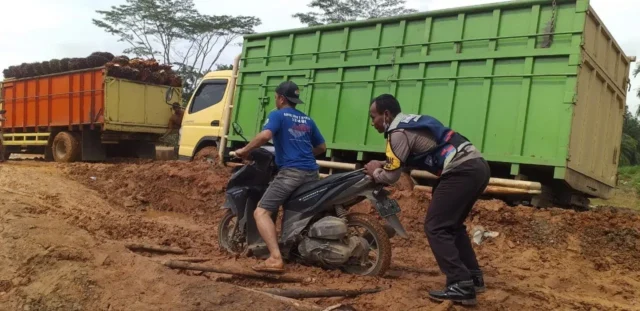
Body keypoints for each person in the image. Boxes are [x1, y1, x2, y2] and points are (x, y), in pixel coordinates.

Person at [363, 94, 490, 306]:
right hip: (477, 166)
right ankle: (473, 278)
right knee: (453, 226)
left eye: (373, 117)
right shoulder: (410, 122)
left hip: (461, 170)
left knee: (436, 227)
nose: (372, 123)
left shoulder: (396, 132)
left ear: (386, 114)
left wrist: (375, 172)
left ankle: (460, 284)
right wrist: (382, 164)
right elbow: (400, 161)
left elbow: (392, 176)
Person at [235, 81, 326, 273]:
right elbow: (322, 148)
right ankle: (292, 249)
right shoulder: (307, 119)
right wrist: (302, 154)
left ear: (281, 98)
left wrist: (244, 150)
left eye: (276, 97)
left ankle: (275, 258)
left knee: (261, 212)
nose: (275, 100)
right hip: (311, 172)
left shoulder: (277, 115)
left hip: (291, 173)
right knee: (294, 210)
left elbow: (264, 136)